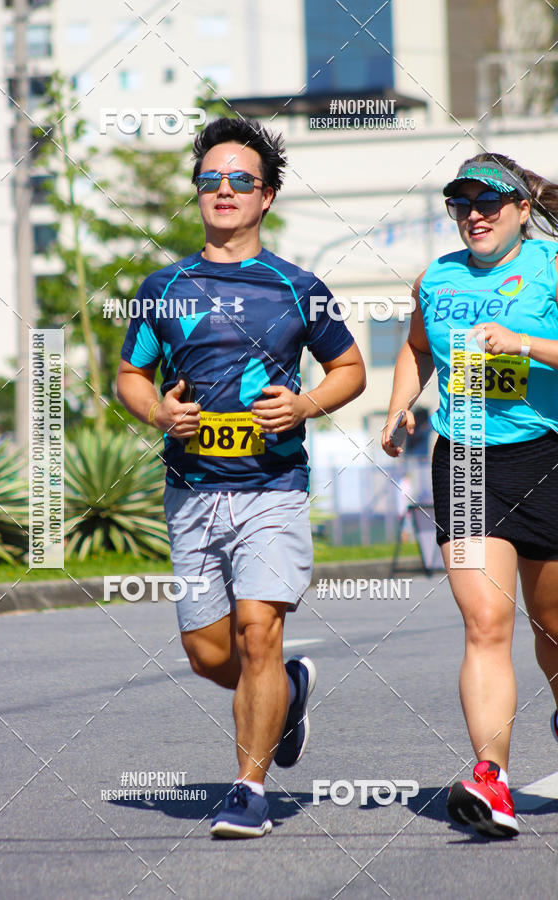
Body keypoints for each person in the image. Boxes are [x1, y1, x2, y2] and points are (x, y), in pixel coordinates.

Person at [116, 117, 366, 838]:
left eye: (240, 181)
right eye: (210, 180)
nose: (223, 191)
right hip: (192, 494)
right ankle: (285, 692)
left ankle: (247, 790)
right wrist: (159, 413)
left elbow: (349, 368)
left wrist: (304, 404)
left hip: (272, 488)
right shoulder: (162, 287)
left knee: (259, 631)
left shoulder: (299, 287)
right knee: (209, 656)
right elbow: (131, 376)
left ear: (268, 196)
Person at [382, 152, 558, 838]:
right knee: (487, 623)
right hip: (467, 458)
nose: (475, 215)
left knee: (552, 631)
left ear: (521, 208)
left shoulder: (551, 266)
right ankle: (492, 780)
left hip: (547, 456)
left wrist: (525, 343)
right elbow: (416, 347)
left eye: (489, 202)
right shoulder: (438, 277)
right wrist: (399, 408)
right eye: (462, 204)